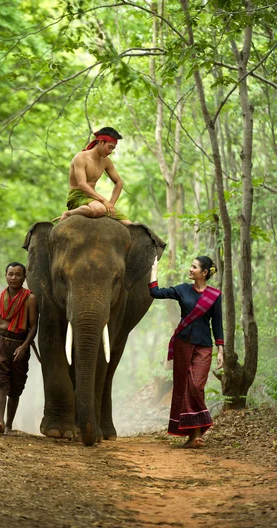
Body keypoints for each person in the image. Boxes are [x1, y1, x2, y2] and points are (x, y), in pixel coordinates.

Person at [149, 255, 223, 448]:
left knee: (196, 385)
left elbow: (217, 325)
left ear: (204, 273)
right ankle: (194, 436)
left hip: (203, 345)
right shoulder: (182, 290)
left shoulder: (214, 296)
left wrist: (221, 350)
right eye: (191, 266)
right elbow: (156, 293)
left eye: (194, 267)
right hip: (183, 344)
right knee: (183, 386)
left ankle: (196, 432)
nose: (190, 269)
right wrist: (154, 270)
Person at [0, 262, 38, 435]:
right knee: (1, 382)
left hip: (20, 343)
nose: (13, 278)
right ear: (5, 276)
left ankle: (9, 425)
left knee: (15, 387)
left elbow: (34, 326)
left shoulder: (30, 299)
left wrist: (24, 346)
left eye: (17, 275)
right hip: (1, 342)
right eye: (10, 274)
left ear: (24, 277)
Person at [59, 127, 132, 224]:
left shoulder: (106, 161)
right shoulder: (80, 157)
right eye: (110, 147)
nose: (110, 152)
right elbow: (82, 184)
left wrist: (111, 204)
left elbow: (119, 182)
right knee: (100, 209)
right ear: (101, 142)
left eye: (113, 149)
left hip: (94, 199)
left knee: (129, 224)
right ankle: (69, 214)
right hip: (77, 197)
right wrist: (104, 201)